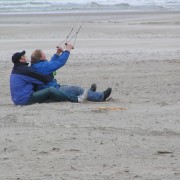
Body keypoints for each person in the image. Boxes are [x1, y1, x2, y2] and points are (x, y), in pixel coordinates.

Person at [30, 44, 112, 102]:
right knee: (76, 89)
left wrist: (57, 54)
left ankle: (90, 93)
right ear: (40, 57)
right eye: (44, 54)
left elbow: (51, 65)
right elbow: (60, 63)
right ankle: (101, 97)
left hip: (53, 88)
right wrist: (67, 50)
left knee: (72, 88)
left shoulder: (37, 66)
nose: (45, 55)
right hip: (53, 91)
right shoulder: (41, 66)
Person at [10, 50, 88, 106]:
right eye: (23, 56)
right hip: (25, 100)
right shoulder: (24, 70)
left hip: (17, 100)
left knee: (60, 89)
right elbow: (42, 79)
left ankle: (91, 95)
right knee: (51, 90)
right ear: (21, 59)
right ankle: (77, 99)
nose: (25, 57)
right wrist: (51, 76)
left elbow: (47, 67)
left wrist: (57, 54)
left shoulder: (16, 70)